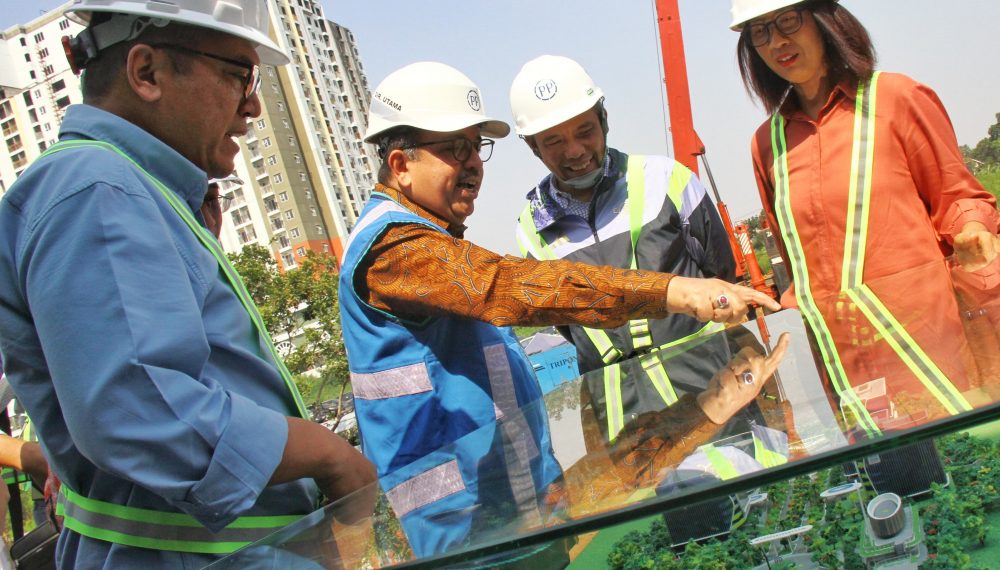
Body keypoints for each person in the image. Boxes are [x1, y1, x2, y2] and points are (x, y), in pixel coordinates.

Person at [339, 61, 790, 560]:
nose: (472, 165)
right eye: (454, 150)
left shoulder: (439, 244)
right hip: (460, 529)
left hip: (513, 510)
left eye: (476, 147)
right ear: (400, 164)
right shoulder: (393, 248)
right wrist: (675, 291)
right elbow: (509, 286)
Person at [0, 0, 376, 566]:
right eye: (237, 74)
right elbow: (135, 407)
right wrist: (323, 452)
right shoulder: (97, 189)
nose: (252, 104)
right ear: (146, 72)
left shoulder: (135, 189)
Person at [731, 0, 1000, 438]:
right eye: (759, 32)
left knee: (979, 457)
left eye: (788, 21)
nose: (777, 42)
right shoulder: (767, 143)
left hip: (928, 342)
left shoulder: (895, 98)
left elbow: (958, 196)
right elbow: (795, 257)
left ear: (824, 20)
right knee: (890, 479)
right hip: (844, 358)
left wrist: (972, 227)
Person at [509, 56, 783, 460]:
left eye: (585, 131)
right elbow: (569, 326)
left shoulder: (665, 181)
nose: (575, 151)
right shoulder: (531, 234)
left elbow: (719, 273)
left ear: (604, 118)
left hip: (718, 397)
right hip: (631, 436)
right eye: (553, 141)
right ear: (533, 147)